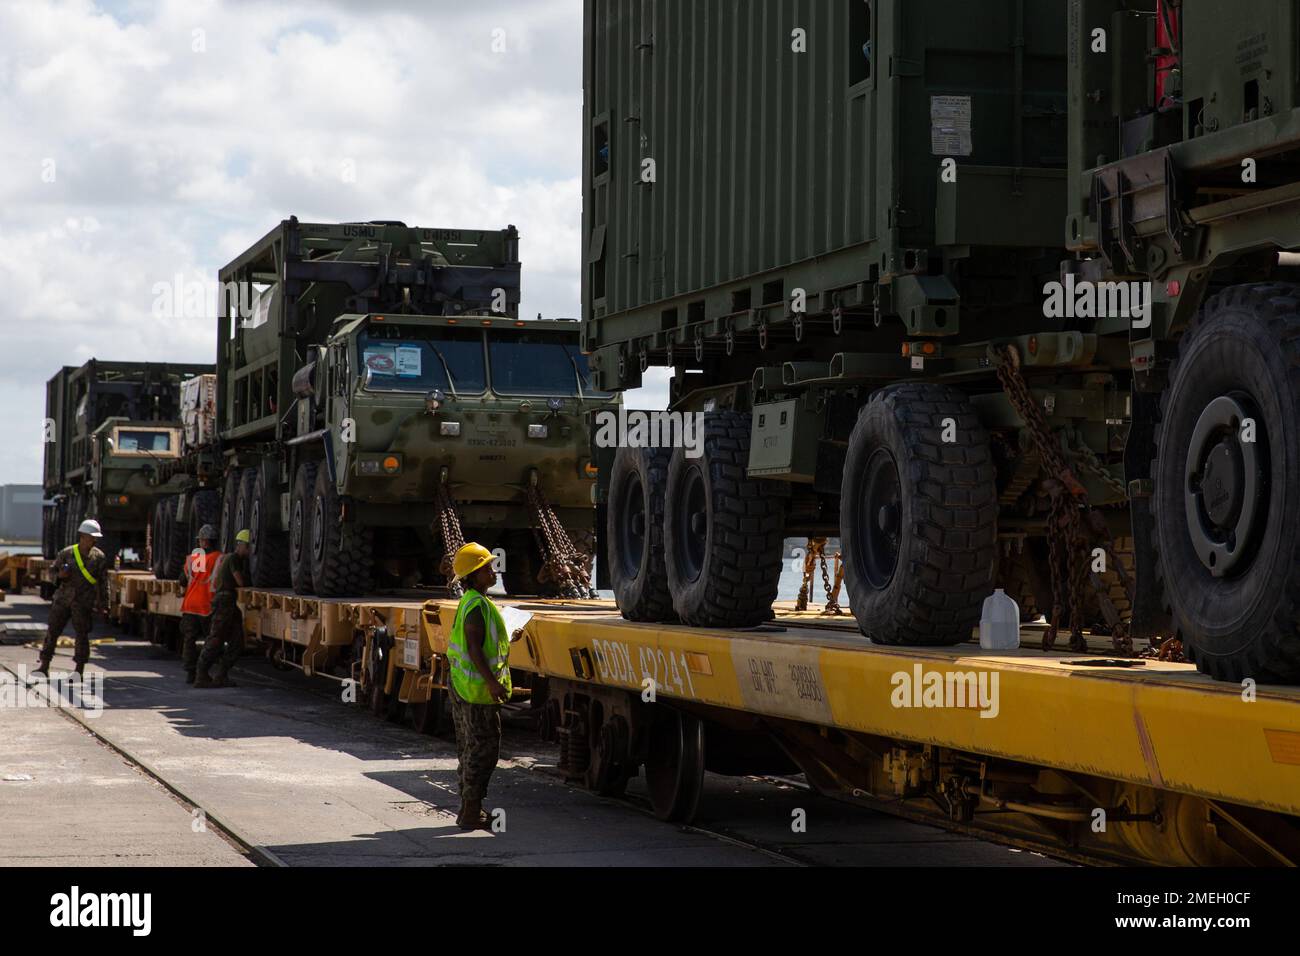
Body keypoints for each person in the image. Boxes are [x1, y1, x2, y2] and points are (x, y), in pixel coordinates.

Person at [446, 542, 511, 830]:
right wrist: (492, 683)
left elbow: (482, 642)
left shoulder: (474, 601)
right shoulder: (475, 605)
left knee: (468, 747)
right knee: (483, 750)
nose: (493, 571)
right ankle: (471, 811)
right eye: (486, 567)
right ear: (474, 574)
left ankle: (469, 808)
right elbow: (473, 648)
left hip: (465, 686)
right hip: (477, 691)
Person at [33, 519, 108, 681]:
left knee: (82, 635)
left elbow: (103, 583)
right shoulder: (67, 553)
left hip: (83, 603)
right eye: (91, 537)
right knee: (52, 632)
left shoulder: (99, 558)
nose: (94, 540)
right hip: (63, 600)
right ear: (82, 536)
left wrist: (104, 605)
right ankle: (44, 665)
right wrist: (60, 575)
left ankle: (78, 671)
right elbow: (52, 573)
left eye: (95, 537)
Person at [194, 529, 248, 689]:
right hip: (224, 601)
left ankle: (221, 675)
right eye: (248, 546)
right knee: (216, 638)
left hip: (229, 602)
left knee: (237, 642)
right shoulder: (233, 558)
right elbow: (239, 581)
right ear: (240, 545)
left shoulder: (232, 558)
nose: (249, 550)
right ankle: (201, 675)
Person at [178, 524, 221, 684]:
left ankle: (190, 673)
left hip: (190, 605)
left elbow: (182, 580)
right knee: (212, 640)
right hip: (207, 605)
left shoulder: (193, 559)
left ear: (203, 542)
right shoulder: (218, 558)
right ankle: (204, 671)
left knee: (189, 639)